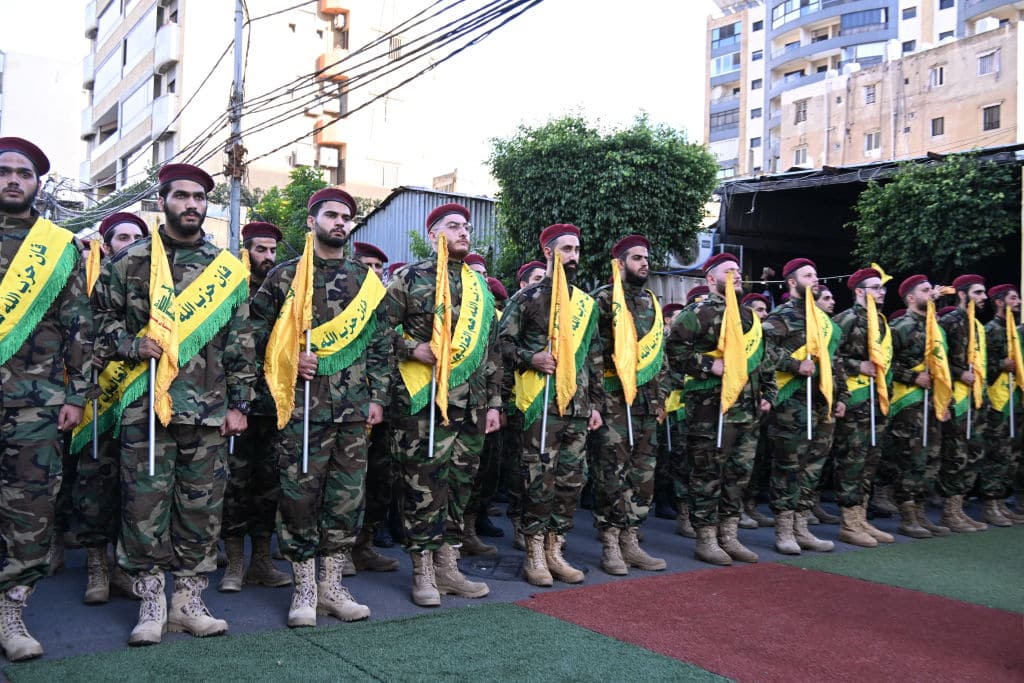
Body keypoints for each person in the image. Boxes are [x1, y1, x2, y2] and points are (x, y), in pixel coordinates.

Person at [92, 163, 255, 646]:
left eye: (199, 197)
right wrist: (129, 343)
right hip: (146, 406)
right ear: (162, 201)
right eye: (181, 196)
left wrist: (239, 403)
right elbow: (96, 322)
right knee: (144, 506)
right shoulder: (130, 261)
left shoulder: (225, 268)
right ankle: (150, 602)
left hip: (207, 410)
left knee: (200, 510)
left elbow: (240, 341)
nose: (191, 204)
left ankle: (187, 602)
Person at [251, 188, 391, 626]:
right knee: (298, 499)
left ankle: (332, 586)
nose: (339, 222)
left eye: (346, 217)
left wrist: (377, 397)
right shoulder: (284, 277)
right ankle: (304, 590)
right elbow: (253, 335)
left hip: (351, 411)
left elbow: (381, 344)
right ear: (312, 221)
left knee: (346, 502)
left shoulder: (366, 282)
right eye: (331, 215)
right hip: (301, 409)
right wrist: (292, 356)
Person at [0, 137, 91, 661]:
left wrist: (76, 395)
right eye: (6, 171)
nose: (14, 179)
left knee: (30, 512)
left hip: (34, 402)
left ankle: (11, 612)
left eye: (25, 173)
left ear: (38, 184)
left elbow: (80, 325)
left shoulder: (56, 248)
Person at [385, 203, 502, 606]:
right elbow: (377, 331)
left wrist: (493, 403)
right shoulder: (408, 277)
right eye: (453, 226)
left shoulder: (479, 287)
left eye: (466, 227)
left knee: (458, 488)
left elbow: (490, 349)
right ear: (434, 233)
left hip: (470, 405)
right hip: (423, 403)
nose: (463, 232)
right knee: (423, 487)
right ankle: (422, 572)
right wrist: (411, 348)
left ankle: (448, 568)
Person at [497, 223, 604, 587]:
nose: (573, 257)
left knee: (571, 482)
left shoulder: (586, 304)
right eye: (566, 250)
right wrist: (532, 357)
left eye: (576, 250)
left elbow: (593, 358)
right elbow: (501, 348)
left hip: (577, 405)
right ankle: (534, 554)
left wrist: (596, 405)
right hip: (539, 406)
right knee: (538, 481)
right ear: (548, 252)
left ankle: (556, 550)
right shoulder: (526, 299)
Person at [667, 252, 773, 565]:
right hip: (710, 408)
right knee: (708, 473)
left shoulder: (749, 317)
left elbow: (762, 361)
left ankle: (730, 534)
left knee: (739, 474)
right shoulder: (697, 312)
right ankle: (706, 538)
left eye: (738, 270)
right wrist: (707, 364)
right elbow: (673, 350)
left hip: (747, 407)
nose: (737, 275)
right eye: (729, 271)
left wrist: (768, 392)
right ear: (711, 279)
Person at [72, 212, 149, 605]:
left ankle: (123, 567)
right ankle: (97, 567)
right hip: (96, 398)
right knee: (94, 482)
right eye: (122, 237)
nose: (131, 243)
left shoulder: (153, 281)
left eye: (138, 236)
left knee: (134, 488)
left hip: (138, 397)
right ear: (106, 244)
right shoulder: (84, 282)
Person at [218, 221, 292, 593]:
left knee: (269, 485)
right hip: (235, 405)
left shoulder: (287, 288)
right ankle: (234, 561)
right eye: (260, 250)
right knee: (234, 483)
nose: (267, 258)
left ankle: (262, 559)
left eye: (272, 251)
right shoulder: (228, 288)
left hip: (275, 404)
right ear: (245, 251)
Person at [591, 235, 667, 575]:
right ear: (620, 263)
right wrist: (594, 400)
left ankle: (632, 538)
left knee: (643, 473)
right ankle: (610, 542)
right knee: (611, 471)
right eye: (637, 258)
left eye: (646, 258)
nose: (644, 263)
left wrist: (662, 397)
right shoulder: (604, 300)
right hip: (612, 398)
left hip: (647, 401)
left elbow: (661, 357)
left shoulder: (652, 301)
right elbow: (590, 354)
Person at [762, 258, 847, 555]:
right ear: (792, 282)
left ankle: (802, 525)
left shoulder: (823, 320)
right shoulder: (781, 316)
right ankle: (784, 529)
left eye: (816, 274)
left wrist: (841, 397)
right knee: (789, 465)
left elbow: (834, 361)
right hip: (792, 401)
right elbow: (764, 350)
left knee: (813, 467)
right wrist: (795, 364)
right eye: (807, 275)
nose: (814, 279)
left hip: (821, 401)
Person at [829, 268, 895, 547]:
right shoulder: (844, 320)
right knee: (852, 460)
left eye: (882, 288)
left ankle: (861, 515)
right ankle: (848, 522)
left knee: (870, 459)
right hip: (854, 398)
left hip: (875, 399)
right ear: (859, 291)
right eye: (875, 287)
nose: (881, 292)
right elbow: (830, 357)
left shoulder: (879, 321)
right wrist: (858, 365)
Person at [885, 275, 951, 538]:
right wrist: (913, 377)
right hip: (908, 402)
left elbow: (942, 368)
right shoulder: (900, 326)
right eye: (925, 290)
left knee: (932, 458)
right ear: (911, 298)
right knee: (911, 458)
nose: (932, 293)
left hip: (932, 402)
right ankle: (908, 515)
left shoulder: (936, 328)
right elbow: (886, 363)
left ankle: (922, 513)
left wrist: (946, 400)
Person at [938, 274, 994, 530]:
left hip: (975, 398)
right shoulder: (950, 321)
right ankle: (950, 511)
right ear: (962, 294)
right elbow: (938, 361)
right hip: (956, 398)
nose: (984, 298)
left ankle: (958, 508)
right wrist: (961, 373)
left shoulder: (978, 326)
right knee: (955, 455)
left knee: (974, 452)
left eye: (984, 293)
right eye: (978, 293)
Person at [980, 285, 1024, 524]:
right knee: (996, 451)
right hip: (997, 398)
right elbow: (980, 365)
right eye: (1013, 298)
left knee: (1010, 452)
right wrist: (1000, 365)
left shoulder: (1014, 331)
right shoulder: (991, 330)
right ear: (999, 302)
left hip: (1014, 397)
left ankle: (1000, 501)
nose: (1018, 302)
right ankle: (989, 504)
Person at [740, 292, 775, 528]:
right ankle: (733, 511)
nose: (763, 314)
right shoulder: (741, 332)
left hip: (757, 406)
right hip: (735, 405)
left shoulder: (763, 336)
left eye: (765, 309)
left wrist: (769, 395)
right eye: (758, 309)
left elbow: (768, 368)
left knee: (755, 461)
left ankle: (749, 505)